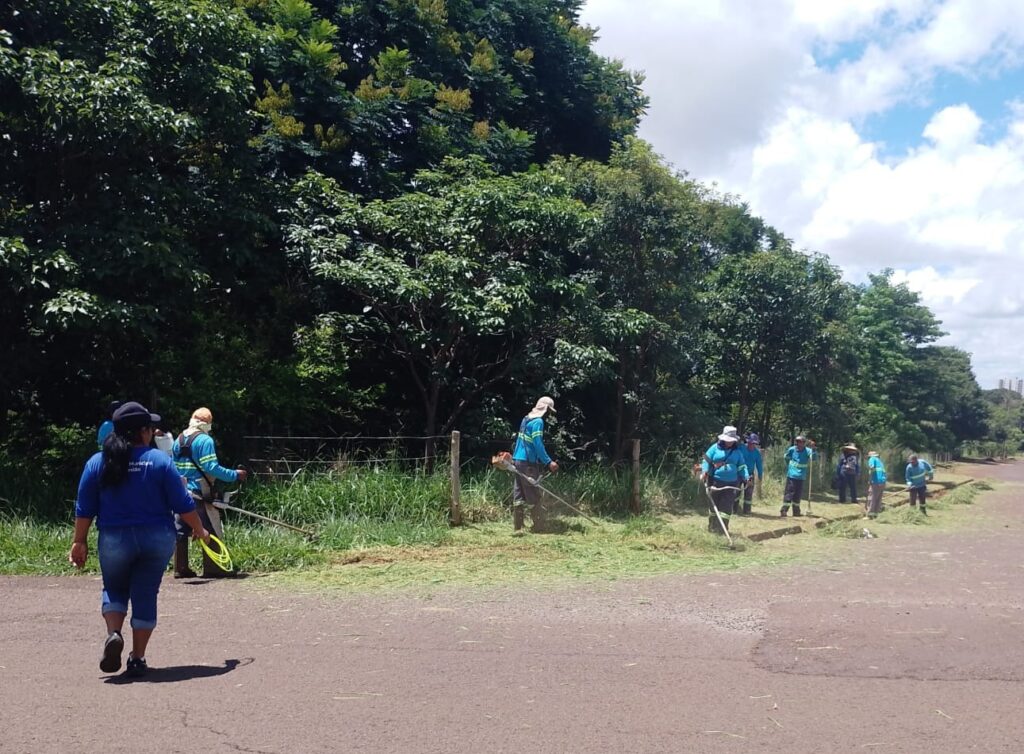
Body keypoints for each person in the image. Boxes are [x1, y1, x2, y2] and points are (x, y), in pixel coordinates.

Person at [70, 401, 210, 678]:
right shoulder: (160, 461)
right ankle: (137, 658)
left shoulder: (98, 462)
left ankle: (113, 634)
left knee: (114, 588)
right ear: (144, 432)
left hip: (114, 537)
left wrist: (79, 541)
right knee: (145, 592)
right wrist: (200, 530)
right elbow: (183, 504)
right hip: (156, 538)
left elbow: (84, 508)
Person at [172, 407, 247, 577]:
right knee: (210, 527)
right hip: (200, 491)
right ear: (207, 423)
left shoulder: (179, 439)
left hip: (181, 490)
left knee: (180, 529)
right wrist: (235, 475)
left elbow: (173, 466)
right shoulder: (205, 440)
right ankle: (214, 568)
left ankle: (180, 568)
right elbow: (210, 468)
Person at [510, 396, 558, 534]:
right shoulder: (538, 422)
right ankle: (538, 527)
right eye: (549, 411)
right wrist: (548, 462)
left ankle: (518, 527)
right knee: (533, 494)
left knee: (519, 495)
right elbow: (537, 443)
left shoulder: (526, 419)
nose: (549, 414)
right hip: (528, 463)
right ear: (546, 409)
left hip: (518, 460)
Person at [701, 427, 749, 533]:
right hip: (715, 482)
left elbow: (742, 466)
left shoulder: (737, 452)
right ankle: (712, 526)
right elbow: (706, 461)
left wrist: (746, 476)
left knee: (726, 507)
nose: (729, 442)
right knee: (714, 506)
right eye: (728, 440)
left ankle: (723, 529)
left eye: (731, 440)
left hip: (731, 483)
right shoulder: (714, 448)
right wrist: (704, 472)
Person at [780, 435, 815, 517]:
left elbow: (813, 458)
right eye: (798, 442)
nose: (800, 444)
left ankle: (796, 512)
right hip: (792, 475)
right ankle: (784, 510)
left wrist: (813, 449)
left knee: (798, 495)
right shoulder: (792, 449)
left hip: (801, 476)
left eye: (802, 442)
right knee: (789, 493)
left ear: (804, 443)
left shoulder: (808, 451)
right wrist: (789, 466)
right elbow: (786, 457)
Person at [738, 432, 763, 515]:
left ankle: (747, 511)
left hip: (750, 474)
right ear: (748, 442)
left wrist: (760, 475)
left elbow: (759, 465)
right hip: (739, 473)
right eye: (751, 443)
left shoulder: (757, 453)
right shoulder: (741, 448)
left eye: (754, 443)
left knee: (748, 493)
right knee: (736, 491)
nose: (752, 445)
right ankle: (734, 509)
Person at [866, 450, 887, 519]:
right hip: (882, 482)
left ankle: (869, 515)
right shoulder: (880, 462)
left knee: (871, 498)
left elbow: (871, 467)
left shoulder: (872, 459)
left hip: (875, 481)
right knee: (878, 499)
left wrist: (869, 479)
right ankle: (875, 514)